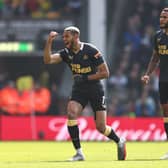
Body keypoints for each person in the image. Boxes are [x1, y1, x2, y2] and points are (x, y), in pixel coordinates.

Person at [44, 26, 126, 161]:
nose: (64, 39)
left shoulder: (91, 50)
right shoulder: (66, 53)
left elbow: (105, 73)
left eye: (67, 36)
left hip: (95, 89)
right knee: (71, 113)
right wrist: (49, 42)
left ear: (76, 36)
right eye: (63, 37)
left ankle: (119, 140)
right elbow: (48, 60)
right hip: (79, 90)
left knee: (101, 127)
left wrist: (85, 78)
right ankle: (79, 153)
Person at [141, 8, 168, 160]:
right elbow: (155, 58)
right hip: (163, 79)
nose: (161, 20)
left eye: (164, 17)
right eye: (161, 17)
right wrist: (147, 74)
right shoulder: (158, 36)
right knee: (165, 113)